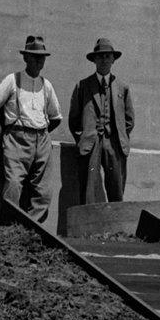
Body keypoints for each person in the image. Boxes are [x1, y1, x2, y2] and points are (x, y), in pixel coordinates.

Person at [0, 35, 63, 226]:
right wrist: (4, 135)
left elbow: (56, 118)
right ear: (25, 58)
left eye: (41, 57)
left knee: (43, 192)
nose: (38, 61)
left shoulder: (46, 85)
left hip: (42, 139)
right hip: (16, 138)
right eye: (34, 56)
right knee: (13, 186)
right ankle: (7, 230)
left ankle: (29, 230)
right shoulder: (12, 80)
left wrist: (40, 134)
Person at [67, 38, 136, 204]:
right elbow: (74, 119)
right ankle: (87, 228)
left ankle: (116, 227)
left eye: (107, 56)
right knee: (88, 189)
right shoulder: (83, 86)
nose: (104, 60)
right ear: (94, 60)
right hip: (91, 143)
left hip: (114, 143)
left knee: (116, 188)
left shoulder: (122, 87)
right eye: (100, 56)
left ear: (113, 60)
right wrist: (83, 137)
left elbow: (129, 119)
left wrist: (120, 136)